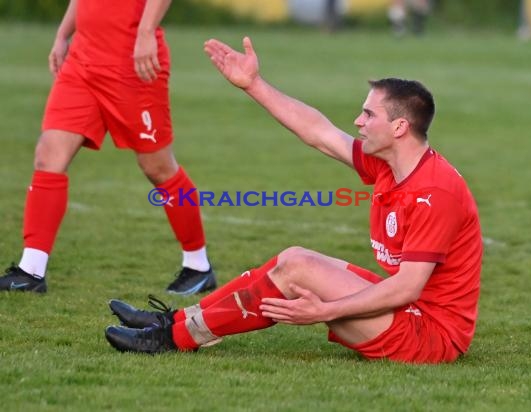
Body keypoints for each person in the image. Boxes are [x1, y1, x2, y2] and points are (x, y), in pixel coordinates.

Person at [104, 36, 483, 364]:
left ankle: (170, 341)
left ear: (400, 127)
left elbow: (406, 289)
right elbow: (319, 132)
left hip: (430, 337)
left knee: (299, 267)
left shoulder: (435, 191)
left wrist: (323, 311)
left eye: (369, 114)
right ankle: (175, 322)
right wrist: (253, 84)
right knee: (291, 258)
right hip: (409, 313)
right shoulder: (391, 163)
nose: (358, 121)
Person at [0, 0, 216, 295]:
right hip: (82, 62)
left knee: (158, 167)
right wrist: (63, 34)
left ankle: (198, 266)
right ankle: (31, 270)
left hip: (133, 63)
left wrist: (146, 32)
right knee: (48, 154)